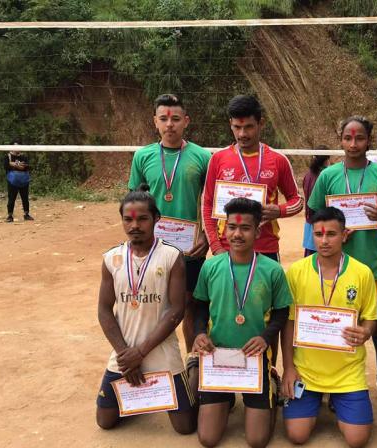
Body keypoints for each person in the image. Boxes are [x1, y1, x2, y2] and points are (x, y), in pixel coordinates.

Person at [307, 116, 377, 404]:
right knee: (336, 318)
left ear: (368, 140)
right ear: (340, 140)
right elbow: (313, 214)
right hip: (334, 264)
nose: (353, 144)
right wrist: (332, 231)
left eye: (359, 138)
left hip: (372, 262)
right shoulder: (328, 176)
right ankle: (333, 378)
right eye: (347, 138)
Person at [96, 186, 197, 434]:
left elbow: (176, 311)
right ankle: (141, 398)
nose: (135, 225)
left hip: (161, 350)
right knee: (105, 421)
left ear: (156, 218)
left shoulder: (171, 256)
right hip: (124, 352)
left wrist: (140, 353)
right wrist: (126, 355)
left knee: (185, 427)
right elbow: (104, 310)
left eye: (142, 218)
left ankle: (194, 372)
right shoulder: (111, 259)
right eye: (128, 219)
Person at [192, 198, 292, 448]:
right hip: (218, 358)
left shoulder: (272, 270)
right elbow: (200, 305)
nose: (237, 234)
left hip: (254, 359)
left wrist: (265, 338)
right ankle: (225, 397)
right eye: (232, 227)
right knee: (208, 439)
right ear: (224, 229)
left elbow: (282, 312)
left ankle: (271, 381)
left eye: (245, 228)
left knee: (257, 441)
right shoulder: (211, 267)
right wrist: (199, 333)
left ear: (257, 232)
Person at [282, 207, 377, 448]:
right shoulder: (296, 272)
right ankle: (315, 398)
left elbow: (370, 318)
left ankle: (339, 397)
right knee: (297, 435)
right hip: (307, 372)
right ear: (312, 235)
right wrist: (289, 368)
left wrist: (366, 332)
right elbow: (289, 322)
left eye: (331, 234)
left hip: (347, 373)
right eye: (319, 234)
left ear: (344, 235)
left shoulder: (362, 273)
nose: (324, 241)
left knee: (357, 440)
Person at [128, 93, 211, 354]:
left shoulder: (202, 157)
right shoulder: (143, 156)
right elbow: (133, 203)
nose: (169, 124)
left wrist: (207, 236)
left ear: (186, 121)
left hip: (191, 248)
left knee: (189, 305)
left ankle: (192, 362)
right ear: (155, 121)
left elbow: (211, 202)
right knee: (151, 305)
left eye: (175, 118)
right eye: (163, 118)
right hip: (153, 247)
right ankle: (154, 362)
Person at [201, 94, 303, 262]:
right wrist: (216, 246)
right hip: (227, 249)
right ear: (230, 124)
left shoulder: (278, 160)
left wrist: (280, 210)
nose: (242, 134)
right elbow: (207, 204)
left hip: (266, 249)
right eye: (237, 127)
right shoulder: (218, 159)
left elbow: (297, 201)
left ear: (261, 123)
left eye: (248, 127)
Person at [303, 150, 331, 256]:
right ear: (327, 160)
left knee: (310, 256)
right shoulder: (327, 175)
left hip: (309, 219)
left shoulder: (308, 175)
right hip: (322, 221)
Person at [4, 145, 33, 222]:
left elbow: (27, 167)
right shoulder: (8, 156)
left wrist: (14, 164)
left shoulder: (24, 156)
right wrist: (19, 165)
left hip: (24, 180)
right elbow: (6, 166)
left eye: (19, 146)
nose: (18, 148)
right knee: (11, 198)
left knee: (25, 198)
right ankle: (10, 216)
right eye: (16, 146)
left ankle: (26, 214)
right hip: (12, 181)